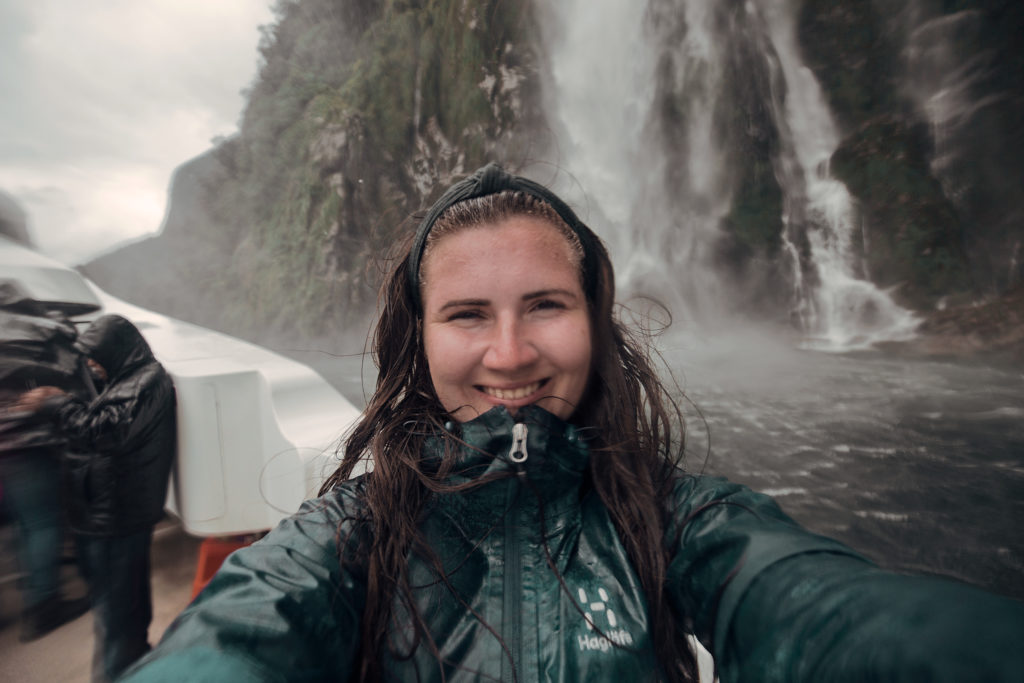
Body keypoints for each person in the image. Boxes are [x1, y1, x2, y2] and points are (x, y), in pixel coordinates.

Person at [120, 164, 1022, 682]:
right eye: (468, 314)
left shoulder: (680, 523)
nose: (510, 354)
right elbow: (238, 635)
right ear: (419, 338)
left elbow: (824, 610)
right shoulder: (346, 536)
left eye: (545, 304)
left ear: (594, 319)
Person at [18, 314, 176, 682]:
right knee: (119, 607)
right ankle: (132, 665)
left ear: (117, 349)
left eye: (95, 355)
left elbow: (104, 432)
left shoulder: (147, 381)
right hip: (102, 514)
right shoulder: (121, 380)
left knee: (117, 613)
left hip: (116, 517)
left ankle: (118, 672)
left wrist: (55, 405)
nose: (90, 363)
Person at [0, 280, 91, 641]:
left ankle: (36, 596)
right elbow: (67, 349)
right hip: (31, 444)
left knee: (26, 526)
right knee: (44, 523)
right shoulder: (25, 335)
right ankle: (45, 607)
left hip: (5, 452)